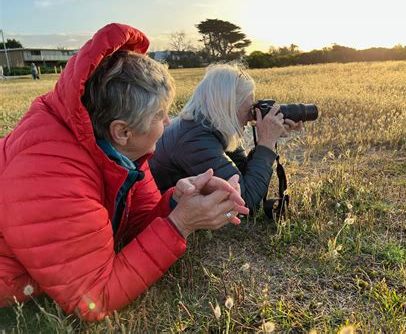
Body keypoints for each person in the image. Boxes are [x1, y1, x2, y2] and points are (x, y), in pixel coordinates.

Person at [0, 23, 248, 321]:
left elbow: (132, 225)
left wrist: (176, 201)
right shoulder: (51, 180)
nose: (169, 123)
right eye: (160, 115)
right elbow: (93, 299)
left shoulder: (118, 152)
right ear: (122, 131)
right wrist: (180, 225)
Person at [150, 63, 303, 211]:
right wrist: (267, 143)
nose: (251, 117)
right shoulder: (196, 140)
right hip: (155, 210)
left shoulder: (205, 125)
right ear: (229, 105)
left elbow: (240, 174)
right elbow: (245, 201)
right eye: (249, 109)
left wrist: (268, 137)